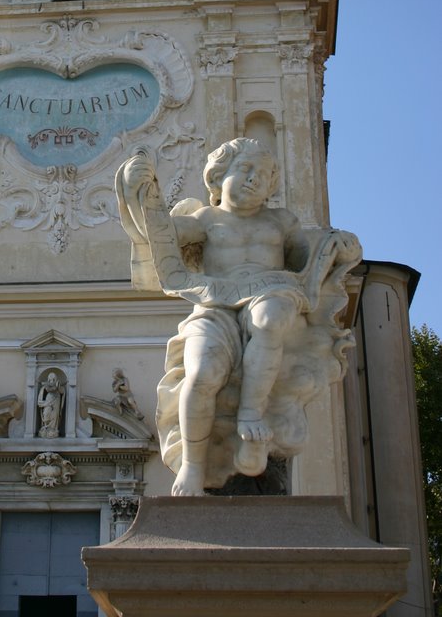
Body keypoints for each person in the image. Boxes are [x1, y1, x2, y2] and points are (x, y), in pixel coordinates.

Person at [116, 138, 360, 495]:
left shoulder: (281, 222)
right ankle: (192, 466)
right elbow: (162, 236)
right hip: (215, 303)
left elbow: (314, 254)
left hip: (271, 291)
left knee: (270, 318)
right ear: (217, 177)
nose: (254, 180)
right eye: (245, 170)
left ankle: (251, 413)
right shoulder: (206, 219)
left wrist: (343, 245)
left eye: (263, 175)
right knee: (200, 373)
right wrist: (142, 191)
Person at [38, 371, 65, 437]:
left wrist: (58, 387)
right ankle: (46, 427)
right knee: (46, 413)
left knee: (55, 414)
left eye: (53, 377)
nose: (51, 378)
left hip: (56, 400)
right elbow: (42, 394)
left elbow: (62, 391)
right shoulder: (45, 386)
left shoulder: (58, 385)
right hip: (48, 400)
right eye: (50, 377)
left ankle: (53, 429)